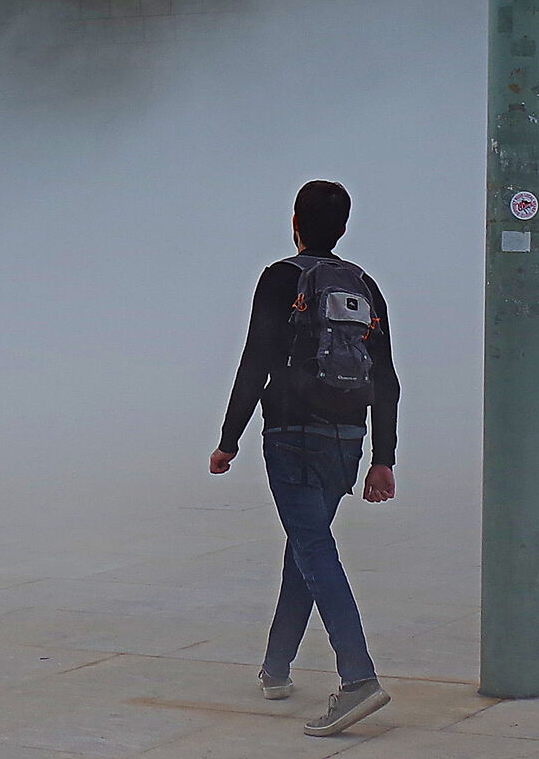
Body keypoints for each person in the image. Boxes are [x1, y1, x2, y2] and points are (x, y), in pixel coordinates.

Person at [210, 179, 400, 738]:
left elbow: (256, 360)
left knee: (314, 548)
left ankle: (358, 678)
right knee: (306, 545)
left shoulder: (280, 278)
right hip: (347, 440)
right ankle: (275, 668)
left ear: (295, 223)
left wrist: (228, 440)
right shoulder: (363, 286)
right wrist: (383, 457)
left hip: (292, 435)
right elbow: (386, 378)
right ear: (343, 228)